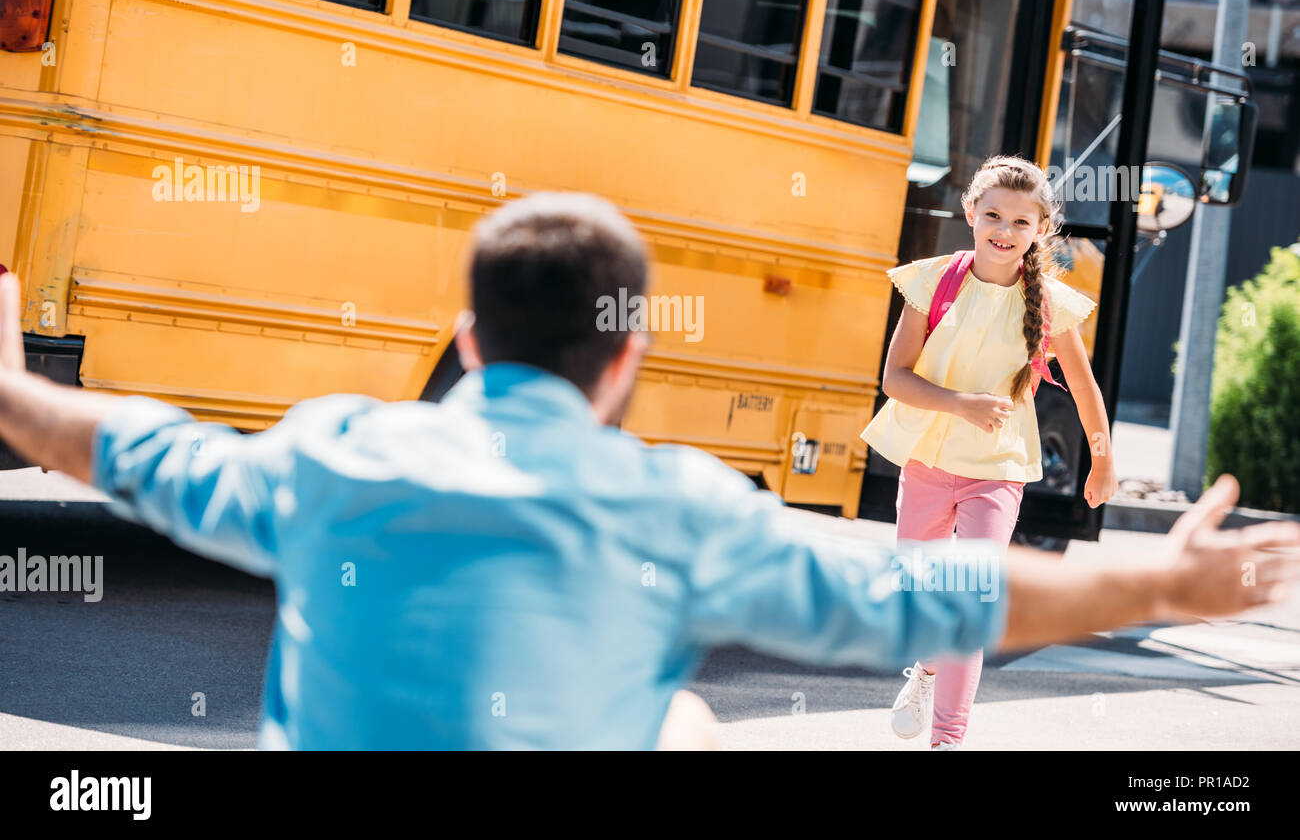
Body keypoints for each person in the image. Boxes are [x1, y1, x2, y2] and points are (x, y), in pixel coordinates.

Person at [0, 193, 1294, 750]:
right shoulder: (678, 511)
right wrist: (1160, 586)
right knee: (681, 721)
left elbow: (105, 440)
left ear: (465, 342)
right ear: (619, 364)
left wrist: (10, 373)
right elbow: (943, 603)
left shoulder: (334, 452)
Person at [864, 156, 1122, 749]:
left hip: (997, 473)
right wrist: (959, 403)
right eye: (994, 216)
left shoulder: (1050, 302)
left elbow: (1084, 387)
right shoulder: (933, 282)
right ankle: (926, 669)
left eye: (1021, 223)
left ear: (1041, 230)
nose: (1005, 231)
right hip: (928, 460)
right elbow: (895, 379)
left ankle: (948, 740)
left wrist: (1103, 459)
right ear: (970, 214)